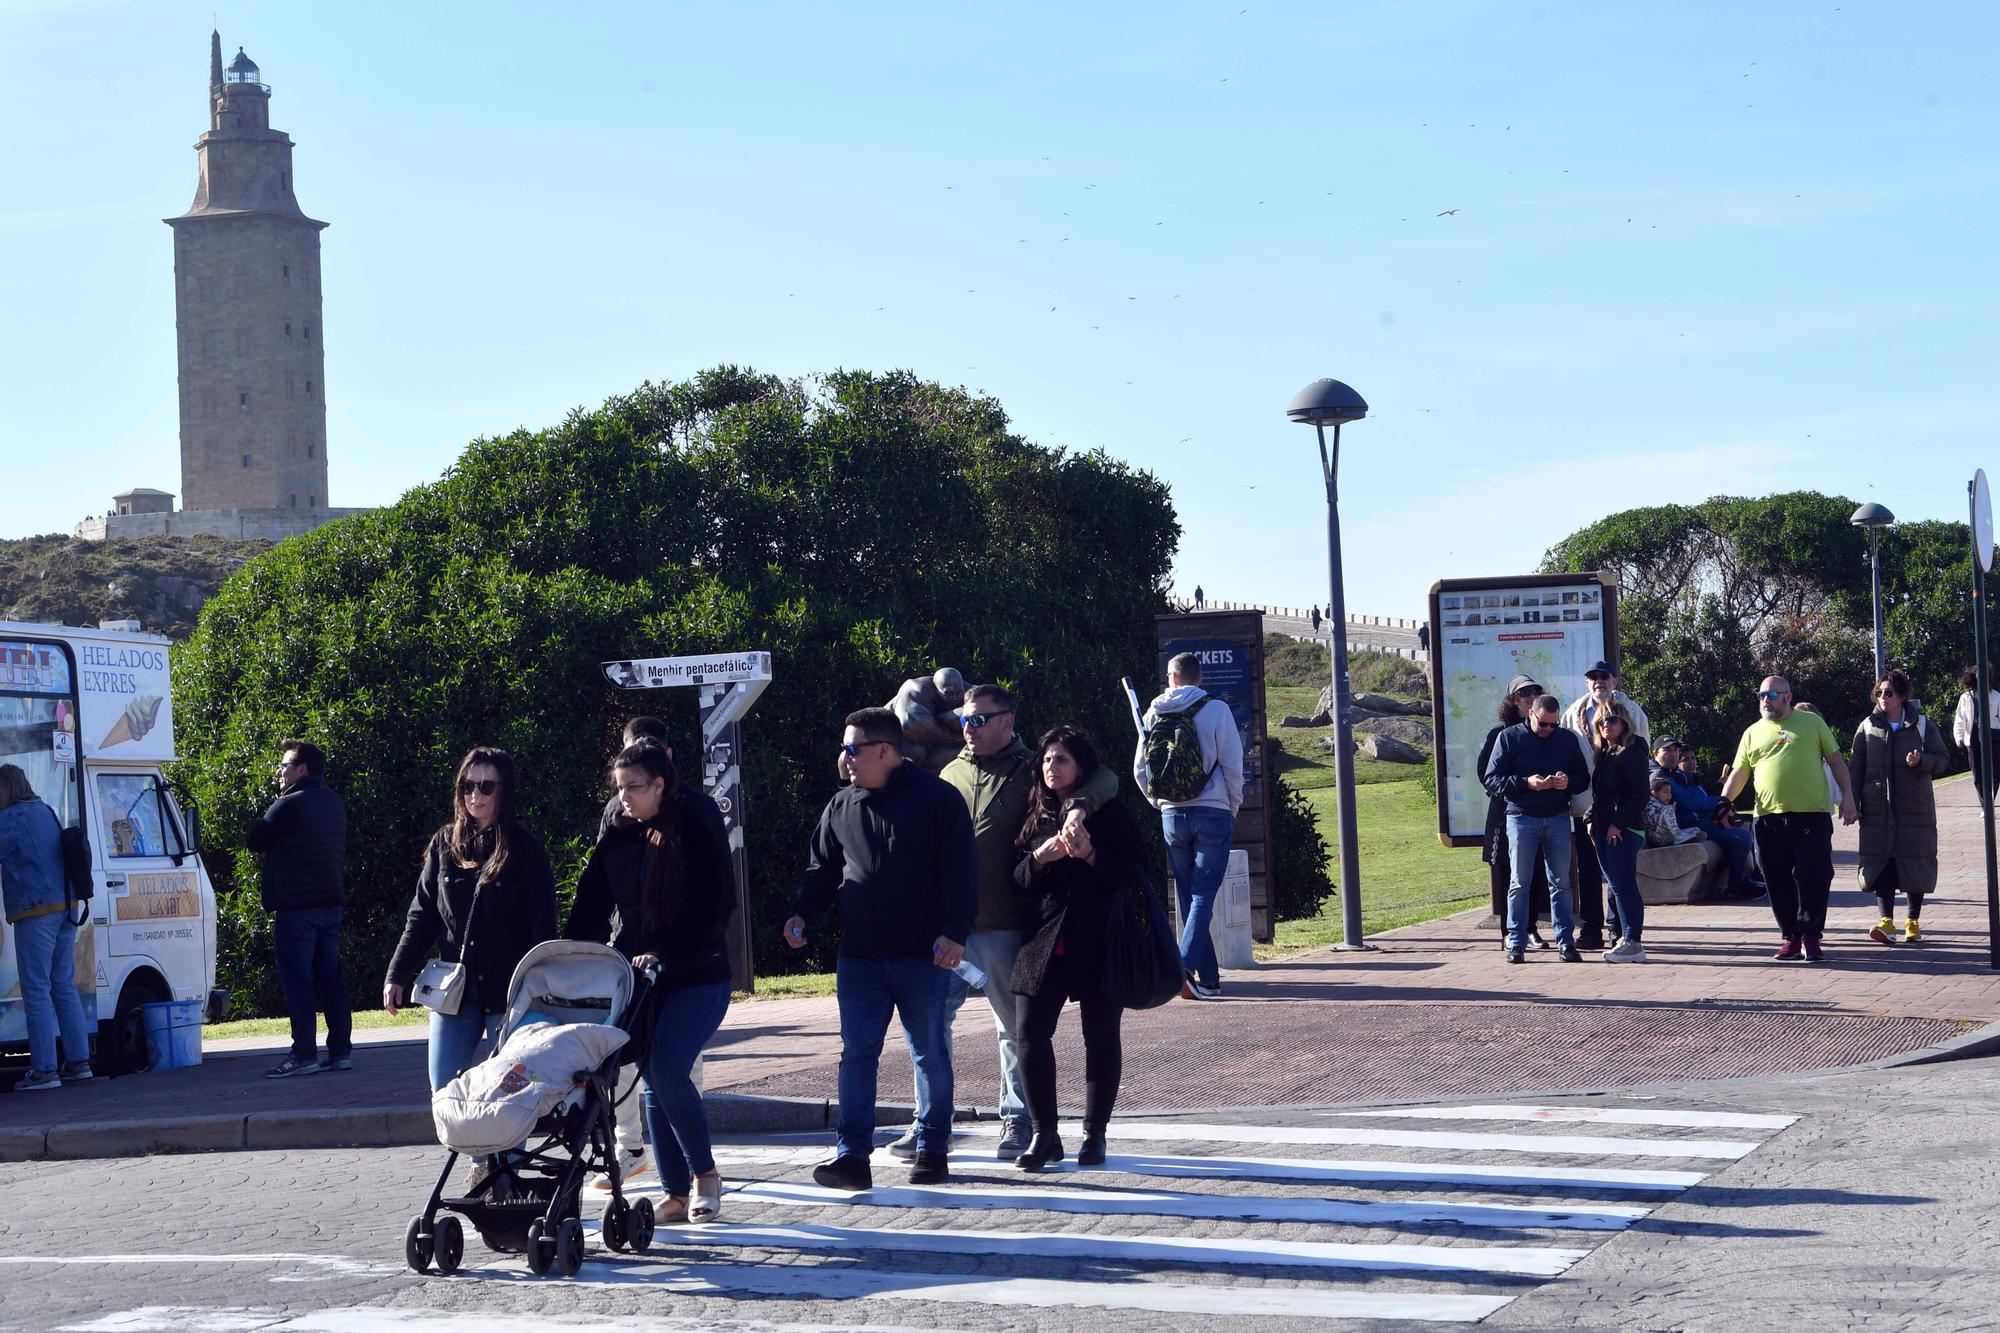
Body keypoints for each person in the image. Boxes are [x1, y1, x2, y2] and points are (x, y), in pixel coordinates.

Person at [884, 685, 1116, 1163]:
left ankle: (1019, 1119)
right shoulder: (950, 771)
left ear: (1008, 722)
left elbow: (1104, 778)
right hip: (947, 927)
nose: (968, 729)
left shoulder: (1033, 767)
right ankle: (931, 1124)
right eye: (965, 720)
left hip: (1005, 921)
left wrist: (1078, 808)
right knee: (930, 1025)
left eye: (979, 720)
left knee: (1013, 1029)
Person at [785, 708, 977, 1191]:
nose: (845, 759)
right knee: (857, 1054)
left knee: (929, 1052)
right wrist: (802, 914)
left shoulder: (938, 799)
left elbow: (961, 872)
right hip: (860, 958)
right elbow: (823, 870)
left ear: (884, 751)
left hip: (924, 956)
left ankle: (933, 1148)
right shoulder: (841, 805)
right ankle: (852, 1157)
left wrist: (956, 932)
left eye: (852, 749)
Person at [567, 742, 736, 1224]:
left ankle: (706, 1176)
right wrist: (573, 958)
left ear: (660, 784)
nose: (624, 798)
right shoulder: (617, 837)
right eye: (619, 788)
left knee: (664, 1068)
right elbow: (590, 908)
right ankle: (677, 1195)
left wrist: (666, 954)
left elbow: (715, 908)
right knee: (649, 1084)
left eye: (634, 788)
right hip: (641, 980)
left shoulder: (693, 827)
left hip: (698, 976)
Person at [385, 747, 558, 1090]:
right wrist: (397, 974)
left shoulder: (524, 847)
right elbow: (422, 915)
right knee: (444, 1090)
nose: (475, 795)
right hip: (456, 986)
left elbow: (542, 924)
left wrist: (538, 983)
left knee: (508, 1094)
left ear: (504, 791)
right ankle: (480, 1146)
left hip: (508, 987)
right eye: (467, 786)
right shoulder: (445, 844)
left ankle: (504, 1147)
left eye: (486, 787)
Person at [1010, 726, 1140, 1171]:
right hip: (1043, 943)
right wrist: (1039, 859)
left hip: (1098, 939)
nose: (1051, 767)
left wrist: (1090, 856)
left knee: (1100, 1037)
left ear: (1081, 766)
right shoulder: (1035, 813)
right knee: (1028, 1034)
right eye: (1047, 759)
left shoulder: (1108, 814)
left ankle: (1094, 1134)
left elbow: (1134, 872)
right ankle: (1045, 1133)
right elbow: (1018, 882)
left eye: (1061, 759)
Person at [1721, 676, 1857, 962]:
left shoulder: (1812, 723)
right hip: (1768, 818)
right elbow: (1740, 773)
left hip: (1812, 815)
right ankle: (1791, 937)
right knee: (1776, 878)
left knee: (1814, 875)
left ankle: (1811, 936)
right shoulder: (1753, 732)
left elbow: (1836, 762)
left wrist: (1848, 797)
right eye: (1761, 695)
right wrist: (1724, 802)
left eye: (1771, 695)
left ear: (1787, 696)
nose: (1765, 701)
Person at [1133, 651, 1245, 999]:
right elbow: (1232, 762)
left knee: (1190, 896)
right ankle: (1181, 968)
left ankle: (1208, 980)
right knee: (1203, 894)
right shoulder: (1216, 709)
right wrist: (1232, 805)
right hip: (1213, 811)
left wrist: (1160, 802)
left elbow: (1140, 768)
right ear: (1199, 677)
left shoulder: (1153, 711)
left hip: (1171, 815)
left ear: (1173, 677)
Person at [246, 739, 352, 1078]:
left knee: (298, 983)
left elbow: (254, 840)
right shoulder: (334, 802)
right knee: (331, 980)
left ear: (301, 769)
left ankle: (304, 1053)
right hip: (330, 905)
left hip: (296, 910)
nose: (280, 771)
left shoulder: (289, 804)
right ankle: (340, 1052)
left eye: (285, 765)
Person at [0, 765, 91, 1091]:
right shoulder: (45, 810)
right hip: (66, 909)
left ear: (6, 789)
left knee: (36, 989)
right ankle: (79, 1062)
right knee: (62, 985)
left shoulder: (10, 818)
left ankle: (44, 1070)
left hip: (35, 912)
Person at [1484, 693, 1591, 963]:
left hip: (1557, 817)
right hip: (1521, 817)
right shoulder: (1508, 738)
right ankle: (1516, 943)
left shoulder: (1567, 739)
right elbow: (1492, 779)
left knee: (1561, 883)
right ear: (1531, 713)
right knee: (1520, 883)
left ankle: (1565, 943)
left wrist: (1567, 782)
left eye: (1554, 725)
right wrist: (1526, 783)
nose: (1549, 730)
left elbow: (1583, 778)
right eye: (1544, 724)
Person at [1852, 670, 1949, 945]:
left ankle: (1912, 922)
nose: (1883, 697)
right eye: (1879, 692)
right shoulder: (1867, 727)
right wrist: (1852, 802)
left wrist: (1922, 762)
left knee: (1914, 861)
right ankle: (1886, 923)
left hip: (1915, 807)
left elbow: (1942, 759)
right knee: (1882, 861)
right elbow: (1856, 766)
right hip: (1877, 808)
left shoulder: (1923, 726)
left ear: (1903, 696)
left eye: (1889, 692)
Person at [1561, 661, 1649, 950]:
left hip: (1621, 814)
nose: (1598, 682)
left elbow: (1639, 775)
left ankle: (1621, 930)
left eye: (1603, 677)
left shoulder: (1632, 713)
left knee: (1620, 879)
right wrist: (1588, 814)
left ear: (1614, 680)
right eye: (1592, 678)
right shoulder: (1572, 713)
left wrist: (1620, 819)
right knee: (1589, 870)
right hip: (1589, 807)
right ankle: (1591, 927)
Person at [1477, 677, 1551, 950]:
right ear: (1514, 700)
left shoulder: (1547, 731)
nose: (1530, 697)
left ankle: (1531, 929)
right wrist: (1517, 787)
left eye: (1534, 691)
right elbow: (1486, 774)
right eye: (1523, 693)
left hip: (1541, 812)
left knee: (1536, 872)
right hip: (1507, 813)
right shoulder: (1499, 734)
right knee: (1511, 874)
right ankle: (1510, 932)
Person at [1659, 737, 1760, 899]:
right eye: (1685, 759)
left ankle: (1752, 874)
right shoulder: (1671, 779)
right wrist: (1721, 801)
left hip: (1705, 822)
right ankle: (1736, 886)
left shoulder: (1690, 779)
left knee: (1746, 824)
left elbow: (1701, 797)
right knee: (1743, 836)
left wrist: (1720, 792)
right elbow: (1693, 803)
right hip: (1695, 827)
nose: (1691, 762)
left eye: (1693, 758)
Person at [1587, 713, 1651, 963]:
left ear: (1625, 723)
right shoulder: (1605, 754)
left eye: (1612, 720)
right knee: (1615, 886)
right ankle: (1627, 939)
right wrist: (1590, 819)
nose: (1605, 725)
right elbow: (1602, 795)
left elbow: (1640, 795)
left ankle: (1633, 942)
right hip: (1603, 828)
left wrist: (1618, 823)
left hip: (1624, 829)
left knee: (1624, 886)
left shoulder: (1633, 752)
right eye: (1601, 721)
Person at [887, 668, 968, 772]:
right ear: (936, 689)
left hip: (931, 743)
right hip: (897, 738)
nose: (956, 697)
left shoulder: (967, 689)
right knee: (916, 751)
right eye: (949, 693)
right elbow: (910, 723)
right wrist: (955, 736)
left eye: (959, 692)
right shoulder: (916, 689)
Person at [1952, 667, 2000, 801]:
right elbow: (1960, 719)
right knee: (1977, 773)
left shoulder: (1996, 696)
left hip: (1994, 735)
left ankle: (1990, 799)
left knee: (1995, 772)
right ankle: (1984, 804)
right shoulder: (1966, 697)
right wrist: (1959, 738)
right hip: (1973, 735)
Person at [1645, 775, 1704, 848]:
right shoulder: (1650, 804)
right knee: (1668, 809)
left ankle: (1680, 837)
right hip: (1657, 837)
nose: (1669, 795)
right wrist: (1667, 811)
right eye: (1665, 792)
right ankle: (1678, 836)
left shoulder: (1662, 806)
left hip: (1668, 835)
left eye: (1670, 792)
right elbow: (1652, 820)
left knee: (1696, 829)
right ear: (1654, 793)